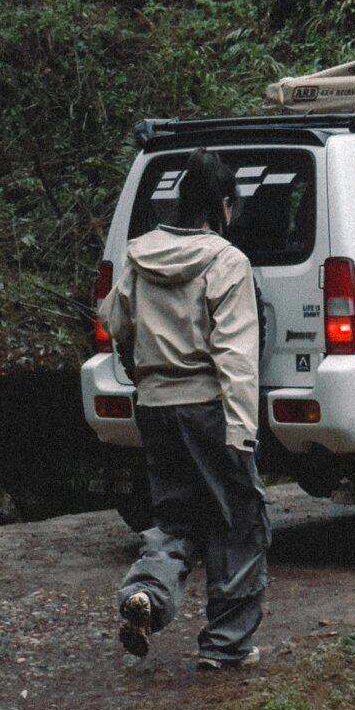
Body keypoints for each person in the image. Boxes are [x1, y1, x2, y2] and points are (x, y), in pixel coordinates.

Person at [98, 149, 269, 670]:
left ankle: (147, 593)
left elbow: (113, 321)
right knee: (239, 522)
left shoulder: (139, 253)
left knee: (174, 519)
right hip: (207, 409)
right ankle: (225, 647)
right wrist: (242, 431)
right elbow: (236, 354)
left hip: (155, 408)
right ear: (221, 205)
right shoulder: (226, 261)